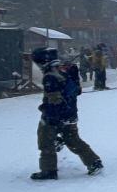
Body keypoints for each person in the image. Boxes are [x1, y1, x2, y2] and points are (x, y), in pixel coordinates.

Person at [29, 47, 102, 180]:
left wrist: (51, 117)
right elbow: (76, 91)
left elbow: (54, 100)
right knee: (73, 140)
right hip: (70, 114)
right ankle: (94, 162)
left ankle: (49, 170)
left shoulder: (50, 77)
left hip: (55, 116)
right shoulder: (65, 71)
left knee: (45, 142)